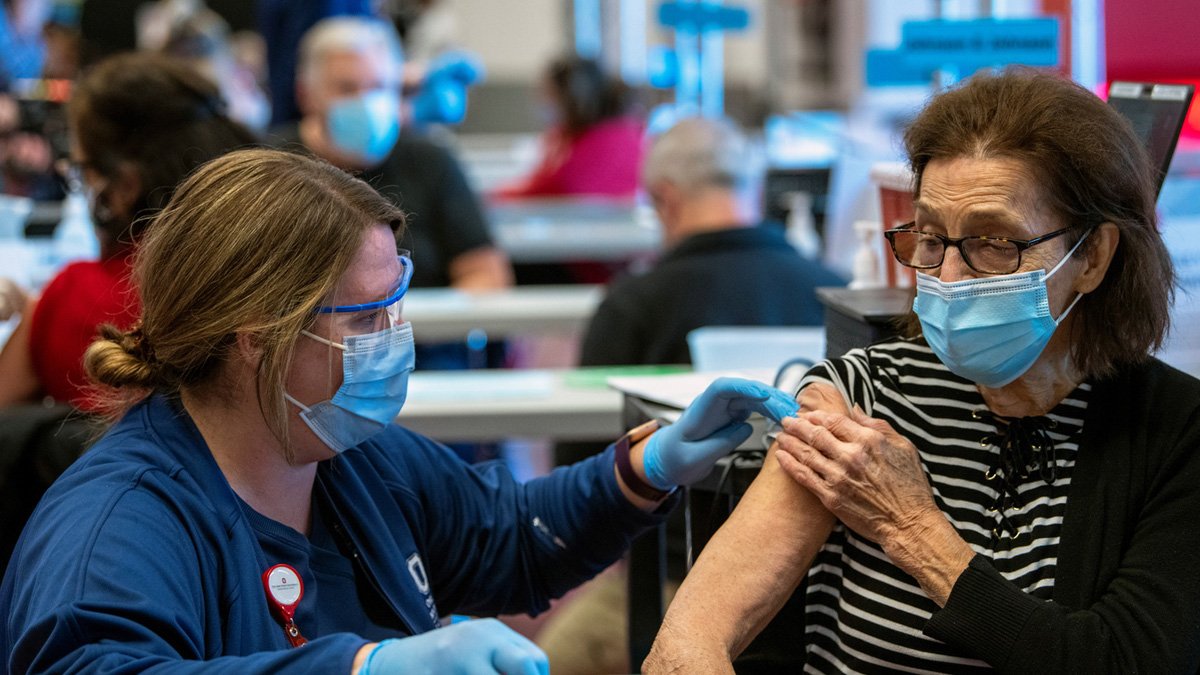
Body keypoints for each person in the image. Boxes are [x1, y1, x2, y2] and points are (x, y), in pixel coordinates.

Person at [0, 147, 803, 673]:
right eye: (367, 318)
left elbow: (507, 538)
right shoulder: (121, 522)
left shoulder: (347, 456)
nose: (396, 339)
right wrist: (362, 667)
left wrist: (647, 466)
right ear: (258, 334)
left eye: (397, 305)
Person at [645, 68, 1200, 673]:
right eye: (931, 238)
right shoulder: (862, 401)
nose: (949, 280)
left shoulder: (1174, 432)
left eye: (996, 242)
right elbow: (687, 641)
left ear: (1092, 256)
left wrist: (912, 528)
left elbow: (1127, 661)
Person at [0, 53, 257, 410]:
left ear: (124, 186)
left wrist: (37, 313)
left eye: (81, 168)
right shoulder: (265, 274)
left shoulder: (76, 295)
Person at [577, 116, 845, 368]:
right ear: (758, 190)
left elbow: (595, 412)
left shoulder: (630, 308)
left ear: (664, 198)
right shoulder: (838, 296)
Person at [270, 16, 511, 291]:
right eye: (347, 88)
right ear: (306, 94)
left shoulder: (430, 160)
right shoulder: (272, 165)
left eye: (379, 87)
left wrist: (409, 322)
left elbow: (486, 273)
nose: (366, 102)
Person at [492, 55, 644, 201]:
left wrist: (494, 195)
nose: (540, 101)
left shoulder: (598, 145)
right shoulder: (626, 133)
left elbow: (549, 189)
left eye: (547, 93)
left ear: (569, 98)